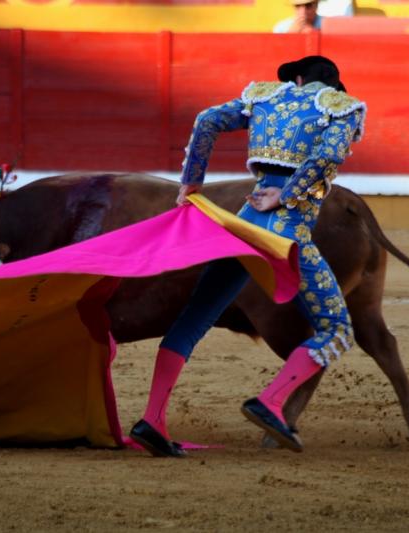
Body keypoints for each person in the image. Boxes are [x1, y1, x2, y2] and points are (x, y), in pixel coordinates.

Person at [129, 56, 367, 458]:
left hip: (242, 223)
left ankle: (152, 419)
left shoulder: (264, 98)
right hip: (285, 229)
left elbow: (206, 120)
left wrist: (191, 183)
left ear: (296, 78)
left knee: (194, 318)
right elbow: (326, 158)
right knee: (337, 330)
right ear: (331, 85)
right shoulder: (343, 108)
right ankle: (271, 402)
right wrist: (287, 195)